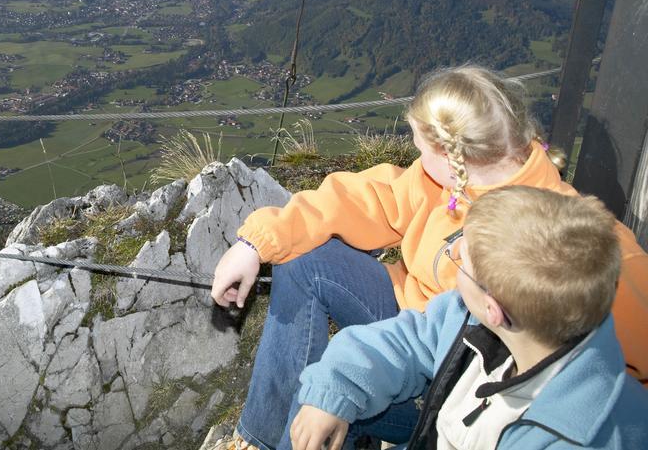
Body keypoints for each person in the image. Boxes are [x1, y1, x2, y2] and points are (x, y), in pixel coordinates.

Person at [210, 65, 648, 450]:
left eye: (422, 150)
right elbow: (371, 197)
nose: (417, 160)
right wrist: (256, 244)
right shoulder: (441, 182)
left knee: (333, 397)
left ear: (453, 157)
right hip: (417, 335)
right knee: (307, 263)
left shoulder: (575, 243)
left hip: (451, 384)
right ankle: (262, 439)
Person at [288, 187, 648, 450]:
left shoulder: (577, 438)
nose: (455, 252)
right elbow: (408, 340)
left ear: (494, 309)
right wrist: (333, 389)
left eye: (463, 259)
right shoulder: (487, 320)